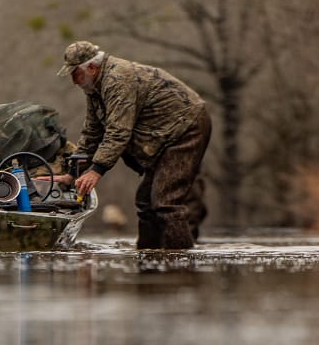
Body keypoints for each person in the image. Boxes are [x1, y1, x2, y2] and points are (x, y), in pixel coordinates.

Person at [58, 40, 211, 249]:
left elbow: (119, 131)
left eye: (75, 74)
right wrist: (72, 173)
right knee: (145, 202)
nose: (74, 81)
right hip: (162, 137)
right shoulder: (95, 88)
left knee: (165, 203)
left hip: (185, 129)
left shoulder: (118, 79)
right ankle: (149, 258)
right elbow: (93, 132)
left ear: (92, 68)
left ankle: (182, 264)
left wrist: (96, 170)